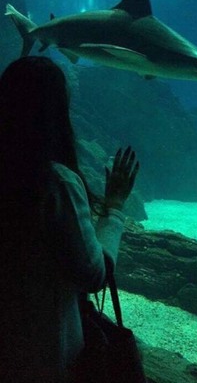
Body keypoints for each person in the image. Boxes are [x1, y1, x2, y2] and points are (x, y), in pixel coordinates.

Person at [0, 56, 139, 382]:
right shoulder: (55, 182)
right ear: (56, 111)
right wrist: (115, 206)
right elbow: (93, 274)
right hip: (44, 356)